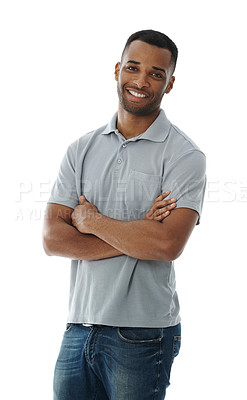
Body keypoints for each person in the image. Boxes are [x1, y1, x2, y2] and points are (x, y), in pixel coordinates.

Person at [43, 29, 206, 400]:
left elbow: (166, 244)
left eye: (156, 73)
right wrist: (139, 233)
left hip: (142, 333)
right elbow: (53, 240)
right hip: (78, 327)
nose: (141, 81)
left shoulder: (185, 156)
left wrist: (92, 222)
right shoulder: (80, 149)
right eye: (133, 67)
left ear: (170, 83)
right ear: (117, 69)